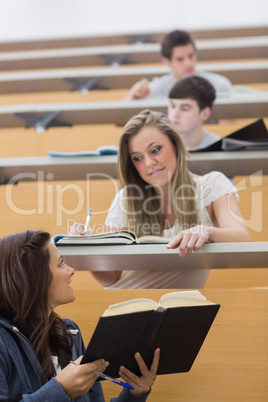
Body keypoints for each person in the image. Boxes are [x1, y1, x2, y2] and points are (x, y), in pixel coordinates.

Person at [87, 110, 250, 289]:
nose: (149, 162)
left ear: (175, 144)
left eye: (155, 150)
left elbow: (242, 238)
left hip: (179, 306)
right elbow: (111, 278)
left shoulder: (211, 185)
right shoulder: (126, 199)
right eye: (138, 158)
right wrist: (88, 250)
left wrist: (207, 231)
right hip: (128, 300)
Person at [0, 230, 160, 401]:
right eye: (61, 264)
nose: (71, 270)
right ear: (33, 278)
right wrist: (61, 390)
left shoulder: (69, 333)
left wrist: (135, 393)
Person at [126, 30, 231, 100]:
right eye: (180, 59)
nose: (188, 63)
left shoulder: (219, 85)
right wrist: (132, 97)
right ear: (166, 61)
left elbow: (227, 128)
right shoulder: (158, 88)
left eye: (191, 56)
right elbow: (121, 120)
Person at [168, 75, 221, 150]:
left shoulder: (217, 147)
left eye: (184, 109)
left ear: (205, 114)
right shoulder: (159, 145)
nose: (175, 115)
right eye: (173, 106)